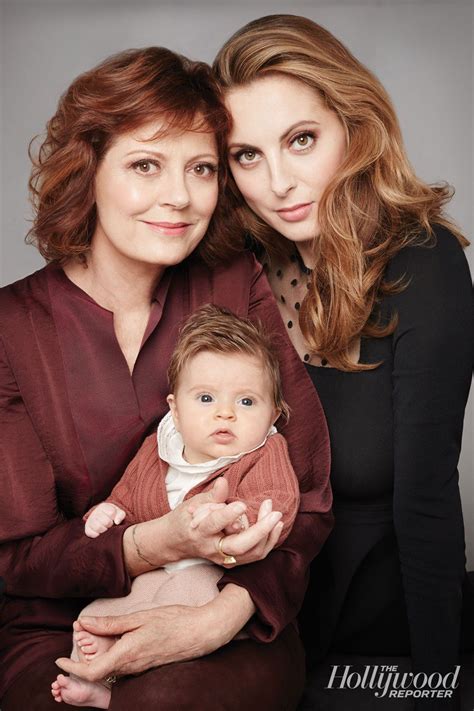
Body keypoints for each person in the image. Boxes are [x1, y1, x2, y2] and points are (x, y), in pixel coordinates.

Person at [0, 46, 333, 711]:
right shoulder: (11, 326)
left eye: (202, 168)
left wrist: (218, 616)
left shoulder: (234, 282)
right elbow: (15, 557)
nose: (179, 196)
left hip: (234, 608)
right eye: (146, 164)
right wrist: (152, 544)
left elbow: (311, 493)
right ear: (87, 169)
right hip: (58, 623)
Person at [213, 14, 474, 709]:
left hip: (378, 639)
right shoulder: (240, 273)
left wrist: (436, 679)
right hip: (258, 622)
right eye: (246, 155)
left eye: (301, 140)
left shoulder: (426, 264)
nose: (278, 183)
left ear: (352, 124)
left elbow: (427, 499)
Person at [51, 304, 300, 708]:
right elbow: (128, 491)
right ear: (175, 408)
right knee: (100, 615)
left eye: (247, 402)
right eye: (205, 398)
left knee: (180, 603)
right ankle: (98, 678)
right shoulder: (159, 447)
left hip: (210, 574)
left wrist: (240, 522)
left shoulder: (264, 451)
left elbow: (279, 502)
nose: (225, 413)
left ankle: (121, 683)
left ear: (273, 412)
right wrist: (110, 509)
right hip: (154, 568)